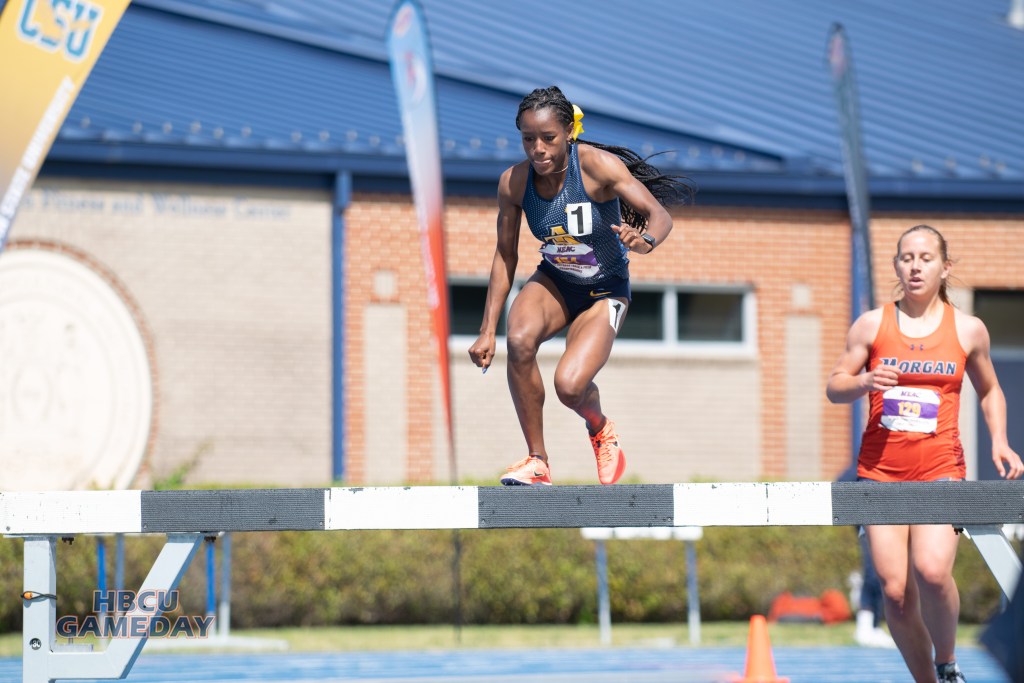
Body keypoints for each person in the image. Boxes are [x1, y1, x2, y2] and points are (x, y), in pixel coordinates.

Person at [826, 224, 1024, 682]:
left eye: (926, 258)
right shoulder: (873, 324)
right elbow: (835, 386)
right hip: (879, 475)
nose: (915, 266)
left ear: (944, 267)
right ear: (896, 265)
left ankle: (947, 662)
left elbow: (991, 390)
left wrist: (999, 440)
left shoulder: (968, 329)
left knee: (932, 572)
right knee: (895, 593)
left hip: (940, 469)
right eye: (906, 257)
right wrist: (863, 382)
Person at [467, 86, 693, 486]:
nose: (537, 149)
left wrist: (646, 242)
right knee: (517, 341)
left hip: (605, 291)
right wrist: (486, 330)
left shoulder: (596, 167)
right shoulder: (514, 183)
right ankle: (537, 460)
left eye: (548, 138)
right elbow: (505, 256)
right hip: (555, 281)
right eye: (528, 138)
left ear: (569, 132)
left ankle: (601, 428)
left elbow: (658, 215)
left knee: (569, 387)